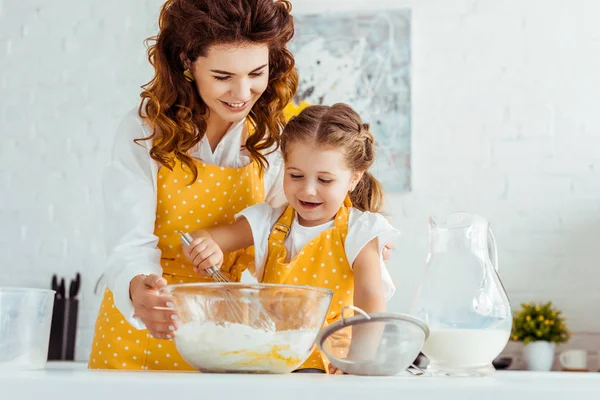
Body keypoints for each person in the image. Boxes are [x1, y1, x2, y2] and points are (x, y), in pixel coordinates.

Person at [88, 0, 302, 371]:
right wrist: (140, 288)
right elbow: (130, 242)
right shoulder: (145, 132)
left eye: (256, 73)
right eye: (222, 76)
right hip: (142, 332)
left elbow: (283, 228)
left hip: (229, 334)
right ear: (187, 62)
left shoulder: (274, 137)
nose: (242, 92)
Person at [183, 103, 399, 373]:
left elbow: (370, 297)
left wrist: (357, 363)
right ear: (284, 166)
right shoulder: (268, 221)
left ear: (354, 179)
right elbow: (206, 237)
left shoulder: (359, 231)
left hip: (331, 367)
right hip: (271, 362)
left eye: (325, 180)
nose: (308, 190)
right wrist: (206, 247)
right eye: (296, 175)